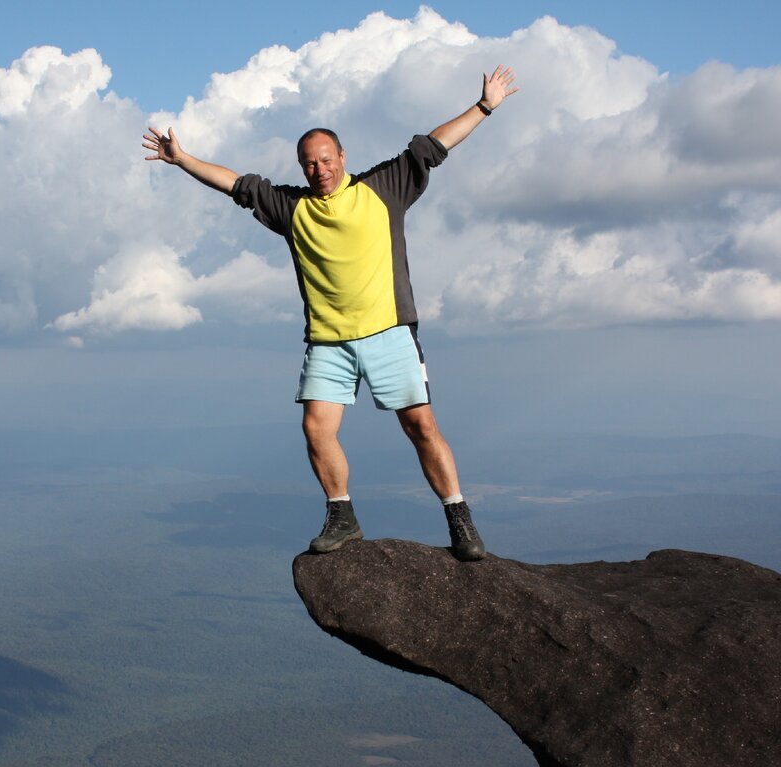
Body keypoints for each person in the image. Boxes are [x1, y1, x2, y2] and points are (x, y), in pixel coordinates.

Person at [143, 66, 519, 561]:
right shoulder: (291, 208)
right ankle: (342, 516)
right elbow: (235, 184)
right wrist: (182, 158)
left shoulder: (383, 188)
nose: (318, 170)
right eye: (308, 164)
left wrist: (485, 106)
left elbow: (434, 146)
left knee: (422, 427)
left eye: (325, 159)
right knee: (316, 429)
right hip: (328, 341)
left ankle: (459, 519)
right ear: (302, 168)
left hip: (389, 332)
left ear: (342, 156)